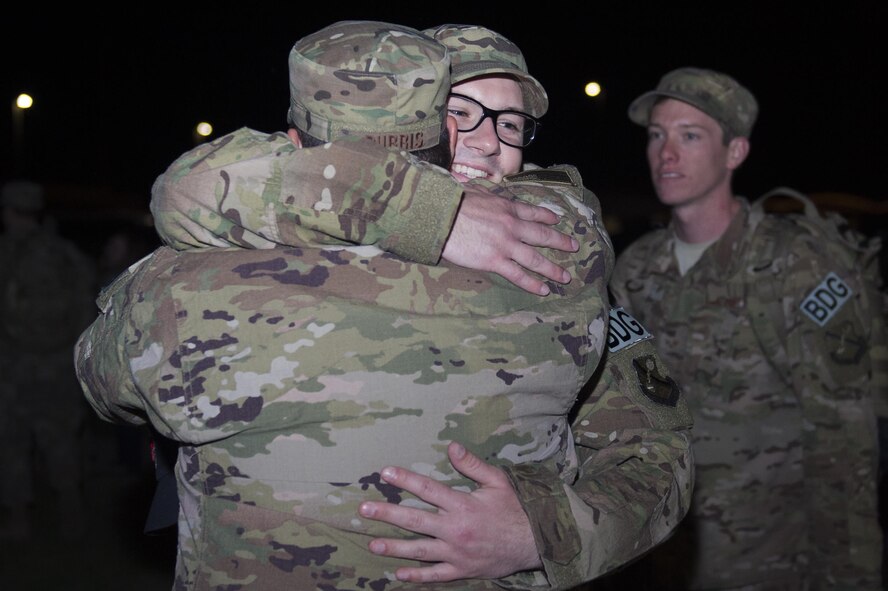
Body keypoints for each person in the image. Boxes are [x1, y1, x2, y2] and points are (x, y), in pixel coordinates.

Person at [78, 22, 693, 590]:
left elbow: (655, 451)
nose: (483, 142)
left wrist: (546, 530)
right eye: (460, 113)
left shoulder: (556, 258)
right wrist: (424, 212)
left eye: (510, 124)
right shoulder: (266, 234)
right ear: (414, 122)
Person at [608, 66, 884, 589]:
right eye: (657, 135)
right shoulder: (636, 267)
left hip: (770, 562)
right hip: (660, 556)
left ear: (735, 152)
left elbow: (844, 445)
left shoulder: (794, 265)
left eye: (690, 136)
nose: (666, 154)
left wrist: (850, 576)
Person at [0, 179, 96, 541]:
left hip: (11, 369)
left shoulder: (6, 253)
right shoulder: (67, 255)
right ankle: (72, 518)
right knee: (62, 442)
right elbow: (88, 313)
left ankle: (19, 520)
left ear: (9, 212)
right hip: (59, 368)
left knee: (11, 444)